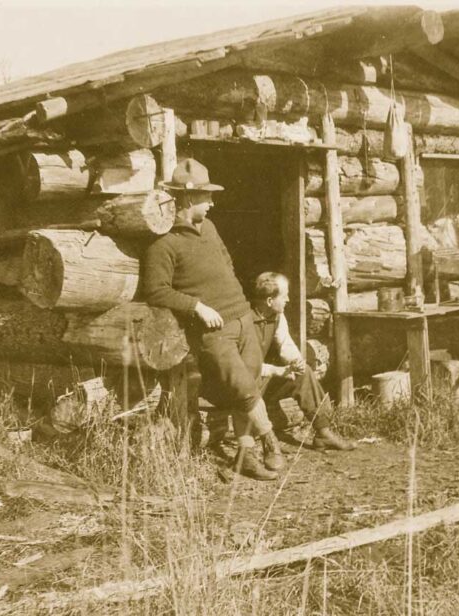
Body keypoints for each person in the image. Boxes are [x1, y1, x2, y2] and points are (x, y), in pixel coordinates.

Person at [142, 158, 286, 481]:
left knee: (245, 389)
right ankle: (271, 443)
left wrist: (234, 299)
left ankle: (245, 456)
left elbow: (227, 262)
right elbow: (156, 291)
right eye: (206, 197)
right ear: (189, 199)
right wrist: (197, 307)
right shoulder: (162, 245)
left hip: (243, 318)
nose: (212, 203)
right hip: (214, 331)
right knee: (245, 390)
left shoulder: (210, 228)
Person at [249, 272, 356, 451]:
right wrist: (276, 370)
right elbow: (243, 367)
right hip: (245, 383)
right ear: (269, 301)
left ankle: (323, 432)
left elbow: (285, 344)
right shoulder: (245, 321)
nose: (289, 299)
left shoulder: (276, 316)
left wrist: (296, 362)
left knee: (304, 372)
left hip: (263, 379)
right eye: (284, 295)